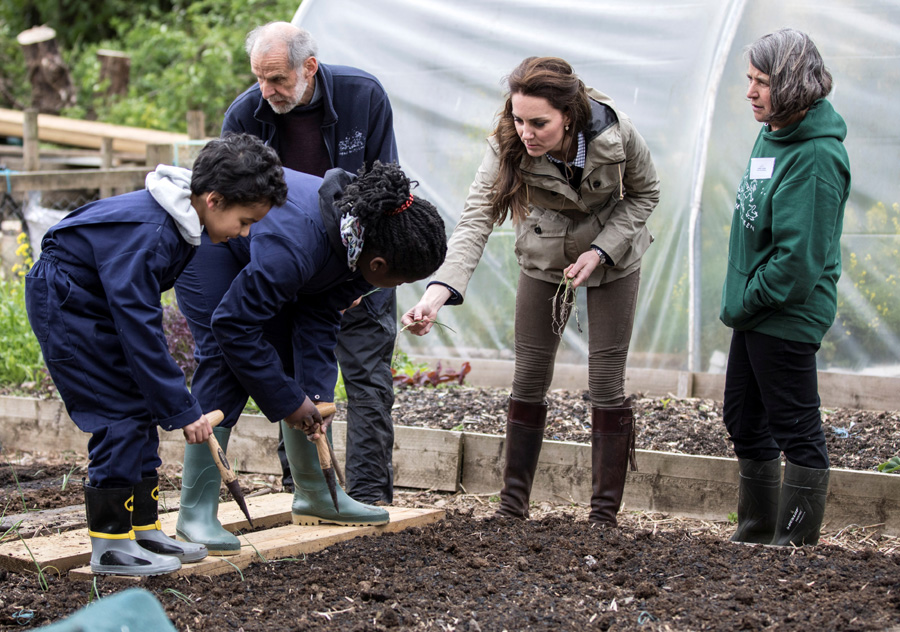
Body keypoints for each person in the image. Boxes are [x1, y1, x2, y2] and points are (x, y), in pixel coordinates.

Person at [402, 57, 659, 525]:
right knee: (529, 377)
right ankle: (511, 508)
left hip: (613, 257)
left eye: (539, 122)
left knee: (605, 383)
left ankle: (603, 520)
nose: (526, 132)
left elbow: (646, 193)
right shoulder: (506, 145)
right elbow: (477, 217)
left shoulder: (617, 135)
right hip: (544, 253)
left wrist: (601, 251)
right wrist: (436, 295)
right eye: (518, 119)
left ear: (570, 115)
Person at [24, 134, 287, 575]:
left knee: (142, 408)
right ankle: (110, 544)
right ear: (214, 199)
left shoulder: (182, 225)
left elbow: (139, 318)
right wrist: (182, 408)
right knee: (119, 411)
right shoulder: (155, 232)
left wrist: (168, 402)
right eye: (243, 221)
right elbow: (139, 327)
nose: (244, 233)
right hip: (67, 300)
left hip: (96, 298)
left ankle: (143, 528)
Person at [173, 161, 446, 555]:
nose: (397, 288)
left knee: (289, 363)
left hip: (266, 252)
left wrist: (315, 398)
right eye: (400, 281)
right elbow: (233, 325)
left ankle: (317, 496)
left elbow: (319, 316)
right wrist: (289, 404)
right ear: (379, 266)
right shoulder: (299, 246)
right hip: (211, 242)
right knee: (223, 360)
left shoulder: (361, 241)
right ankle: (195, 513)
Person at [221, 21, 399, 505]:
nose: (267, 90)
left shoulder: (364, 96)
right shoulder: (244, 115)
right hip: (288, 265)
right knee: (290, 375)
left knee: (365, 377)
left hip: (365, 262)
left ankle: (367, 494)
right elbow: (234, 203)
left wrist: (367, 273)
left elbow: (388, 187)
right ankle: (305, 488)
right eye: (259, 78)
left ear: (310, 67)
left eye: (277, 79)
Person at [721, 29, 850, 547]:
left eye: (762, 82)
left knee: (795, 426)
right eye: (749, 80)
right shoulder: (773, 130)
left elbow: (797, 262)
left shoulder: (817, 157)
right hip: (756, 308)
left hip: (784, 310)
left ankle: (793, 546)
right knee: (744, 418)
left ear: (793, 83)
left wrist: (748, 297)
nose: (750, 92)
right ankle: (755, 533)